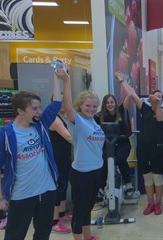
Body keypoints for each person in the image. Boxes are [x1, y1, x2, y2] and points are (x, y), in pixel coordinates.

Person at [0, 70, 65, 240]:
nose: (39, 111)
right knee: (15, 236)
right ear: (20, 111)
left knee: (43, 234)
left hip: (47, 191)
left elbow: (56, 103)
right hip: (21, 194)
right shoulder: (4, 135)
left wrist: (56, 75)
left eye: (39, 107)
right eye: (34, 108)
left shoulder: (40, 125)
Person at [59, 67, 105, 240]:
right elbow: (67, 105)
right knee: (79, 210)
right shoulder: (76, 120)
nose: (91, 109)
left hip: (96, 171)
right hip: (81, 173)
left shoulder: (94, 121)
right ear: (80, 105)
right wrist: (66, 80)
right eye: (88, 106)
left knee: (88, 207)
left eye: (94, 106)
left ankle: (88, 236)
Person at [115, 71, 163, 215]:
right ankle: (150, 203)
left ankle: (158, 203)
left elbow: (159, 116)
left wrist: (157, 103)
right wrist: (122, 80)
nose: (157, 98)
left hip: (157, 149)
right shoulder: (144, 109)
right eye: (155, 96)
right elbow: (131, 94)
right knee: (147, 176)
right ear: (150, 99)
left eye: (160, 97)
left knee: (157, 177)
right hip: (143, 148)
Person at [95, 93, 134, 199]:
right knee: (104, 160)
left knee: (121, 159)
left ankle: (128, 184)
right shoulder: (99, 116)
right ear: (104, 104)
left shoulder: (120, 111)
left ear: (115, 103)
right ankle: (101, 187)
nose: (110, 104)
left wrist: (122, 81)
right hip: (107, 144)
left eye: (112, 102)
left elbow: (128, 97)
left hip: (122, 143)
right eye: (107, 103)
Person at [49, 96, 73, 233]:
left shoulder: (63, 117)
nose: (66, 103)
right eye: (62, 101)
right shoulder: (54, 118)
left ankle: (62, 215)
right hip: (57, 159)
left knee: (63, 185)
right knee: (58, 187)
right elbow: (69, 137)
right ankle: (54, 222)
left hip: (65, 158)